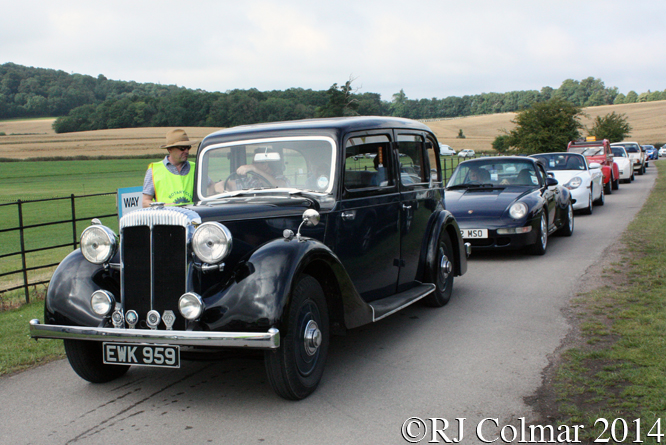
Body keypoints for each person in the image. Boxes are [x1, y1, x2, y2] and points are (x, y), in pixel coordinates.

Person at [142, 129, 198, 207]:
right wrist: (164, 206)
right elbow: (145, 202)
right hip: (166, 218)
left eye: (188, 148)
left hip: (192, 218)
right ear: (170, 149)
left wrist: (218, 185)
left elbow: (211, 188)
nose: (186, 151)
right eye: (182, 148)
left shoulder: (196, 168)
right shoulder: (154, 170)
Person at [222, 148, 289, 191]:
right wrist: (224, 192)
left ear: (265, 166)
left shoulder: (281, 178)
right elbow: (223, 184)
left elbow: (279, 186)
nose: (251, 165)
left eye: (254, 163)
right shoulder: (251, 180)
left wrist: (254, 169)